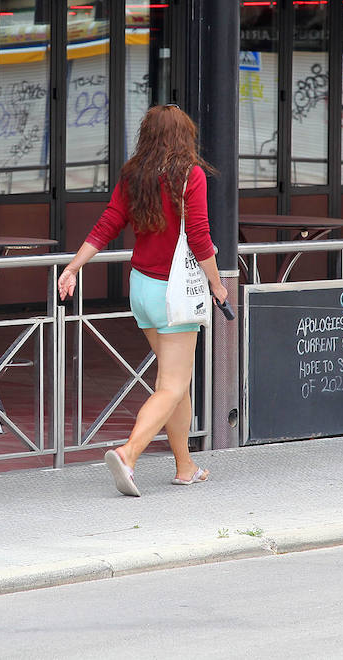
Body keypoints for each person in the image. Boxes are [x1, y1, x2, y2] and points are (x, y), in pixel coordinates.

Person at [57, 104, 229, 497]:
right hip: (175, 292)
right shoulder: (191, 175)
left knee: (176, 382)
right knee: (171, 384)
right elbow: (200, 237)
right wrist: (217, 285)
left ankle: (185, 466)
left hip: (142, 290)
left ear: (147, 135)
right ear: (184, 135)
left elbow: (108, 223)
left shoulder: (134, 174)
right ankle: (129, 454)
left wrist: (73, 267)